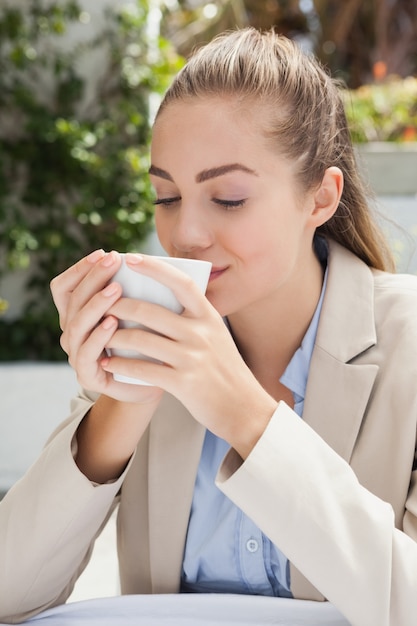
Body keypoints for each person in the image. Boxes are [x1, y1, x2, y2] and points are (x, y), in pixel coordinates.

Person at [1, 27, 417, 626]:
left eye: (227, 198)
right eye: (166, 197)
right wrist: (120, 405)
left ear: (321, 199)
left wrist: (245, 416)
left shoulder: (405, 345)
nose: (186, 234)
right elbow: (8, 595)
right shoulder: (152, 344)